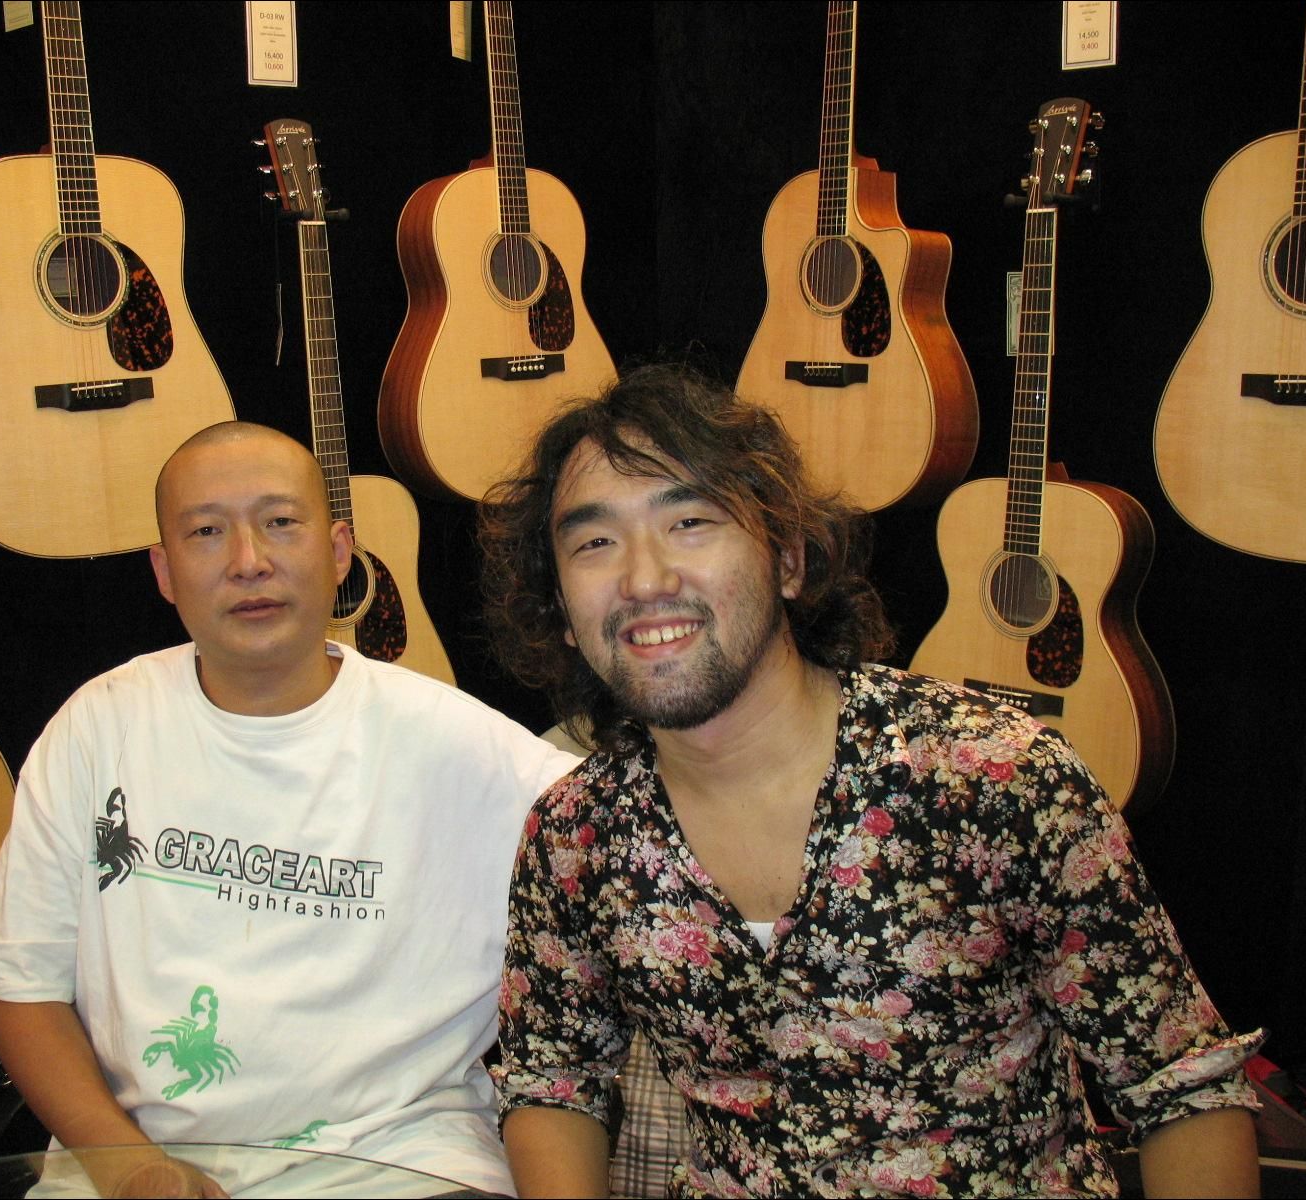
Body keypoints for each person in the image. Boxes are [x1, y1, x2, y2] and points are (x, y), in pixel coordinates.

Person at [477, 365, 1264, 1199]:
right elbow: (553, 1084)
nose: (644, 579)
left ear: (786, 559)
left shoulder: (993, 777)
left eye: (690, 522)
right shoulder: (576, 834)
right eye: (594, 543)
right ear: (563, 611)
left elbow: (1181, 1087)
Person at [0, 422, 578, 1198]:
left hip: (400, 1162)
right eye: (206, 532)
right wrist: (130, 1166)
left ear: (340, 550)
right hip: (129, 1164)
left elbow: (641, 839)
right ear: (164, 570)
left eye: (281, 522)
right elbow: (20, 991)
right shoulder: (100, 726)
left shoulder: (462, 748)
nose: (248, 560)